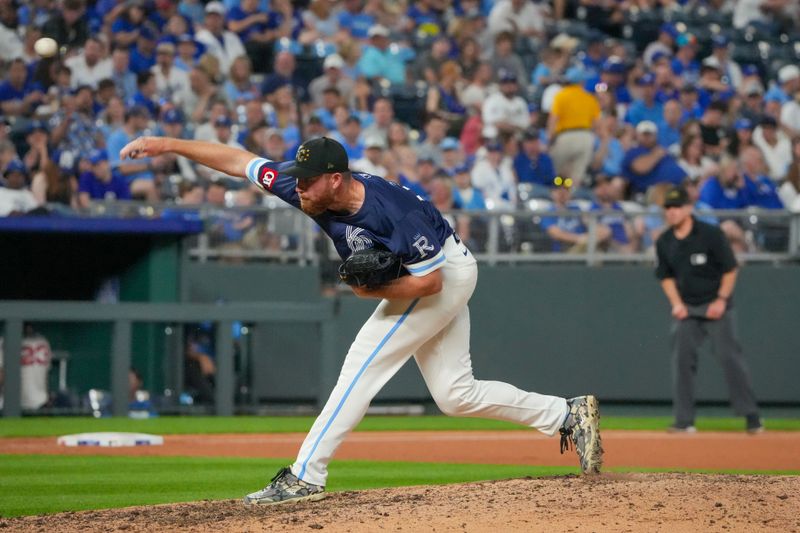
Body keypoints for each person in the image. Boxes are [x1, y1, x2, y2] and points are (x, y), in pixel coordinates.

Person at [119, 134, 604, 504]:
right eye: (297, 179)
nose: (298, 188)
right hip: (431, 275)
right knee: (456, 395)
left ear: (335, 179)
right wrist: (166, 145)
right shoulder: (308, 187)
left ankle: (306, 475)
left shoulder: (391, 212)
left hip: (443, 274)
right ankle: (566, 414)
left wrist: (366, 290)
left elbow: (430, 285)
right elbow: (237, 160)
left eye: (307, 181)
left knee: (362, 363)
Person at [655, 186, 763, 434]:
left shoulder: (711, 234)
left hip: (717, 305)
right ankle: (684, 420)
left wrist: (721, 300)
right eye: (668, 208)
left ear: (689, 208)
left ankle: (752, 417)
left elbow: (730, 268)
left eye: (677, 207)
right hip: (688, 308)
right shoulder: (665, 241)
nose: (672, 212)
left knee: (730, 358)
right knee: (681, 360)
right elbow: (666, 276)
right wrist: (677, 304)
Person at [0, 323, 53, 411]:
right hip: (40, 402)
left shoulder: (4, 342)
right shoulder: (43, 342)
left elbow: (1, 376)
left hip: (14, 403)